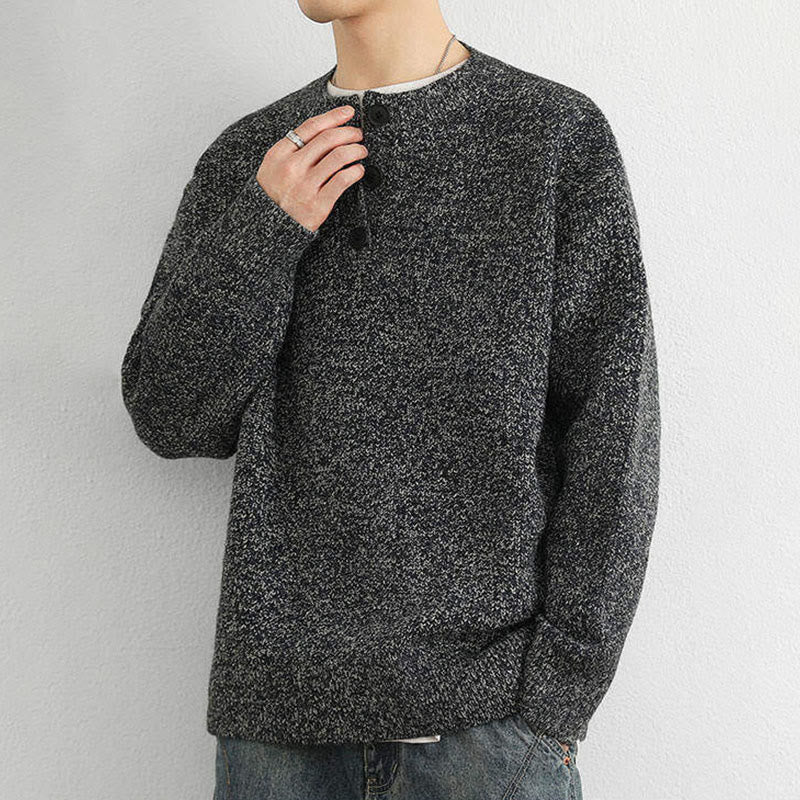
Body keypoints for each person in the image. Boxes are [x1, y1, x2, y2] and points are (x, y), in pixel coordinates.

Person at [120, 0, 661, 796]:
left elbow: (617, 432)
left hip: (488, 731)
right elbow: (170, 417)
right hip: (279, 733)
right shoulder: (254, 157)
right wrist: (265, 230)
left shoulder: (551, 137)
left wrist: (556, 698)